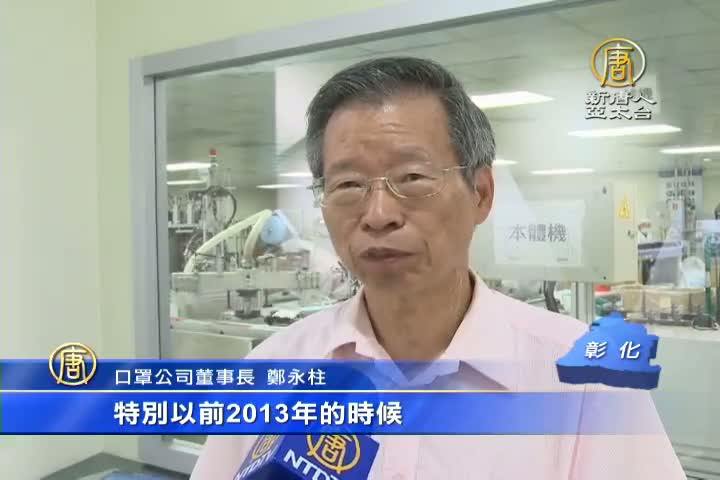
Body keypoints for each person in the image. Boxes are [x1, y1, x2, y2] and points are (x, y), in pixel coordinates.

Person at [191, 57, 684, 479]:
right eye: (348, 185)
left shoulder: (586, 382)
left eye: (411, 177)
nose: (378, 214)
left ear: (481, 193)